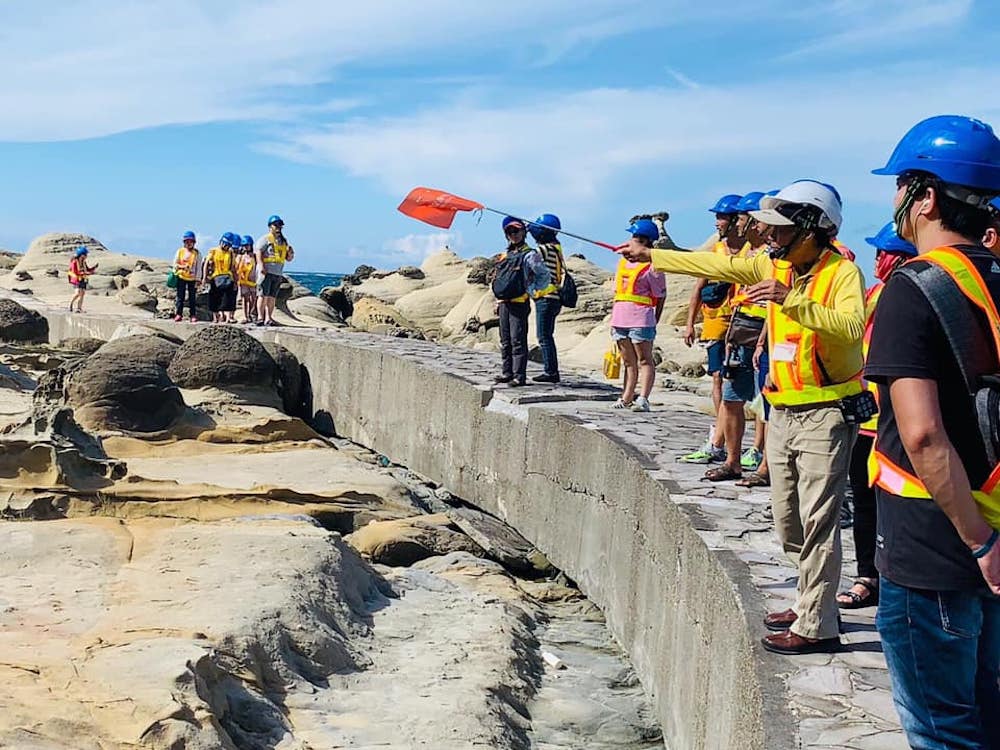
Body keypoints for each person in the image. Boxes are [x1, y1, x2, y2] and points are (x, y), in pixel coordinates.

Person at [623, 179, 865, 655]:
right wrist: (653, 257)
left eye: (780, 229)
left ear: (813, 228)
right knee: (788, 520)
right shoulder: (773, 264)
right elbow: (716, 264)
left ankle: (818, 625)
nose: (770, 237)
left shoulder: (843, 274)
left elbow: (852, 326)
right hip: (784, 410)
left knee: (819, 521)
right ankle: (808, 600)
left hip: (827, 412)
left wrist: (790, 299)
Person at [866, 114, 1000, 748]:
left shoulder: (910, 289)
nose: (894, 201)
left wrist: (980, 544)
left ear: (924, 197)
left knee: (943, 731)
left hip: (937, 549)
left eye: (900, 187)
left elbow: (922, 437)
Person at [836, 223, 916, 611]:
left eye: (881, 253)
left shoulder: (910, 296)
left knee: (895, 508)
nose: (875, 259)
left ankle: (894, 582)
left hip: (896, 425)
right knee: (865, 504)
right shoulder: (873, 294)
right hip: (866, 421)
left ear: (897, 257)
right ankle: (868, 576)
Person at [679, 193, 744, 464]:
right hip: (715, 323)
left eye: (721, 217)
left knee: (733, 382)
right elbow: (698, 288)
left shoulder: (749, 252)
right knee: (718, 378)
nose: (717, 222)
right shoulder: (715, 252)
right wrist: (689, 323)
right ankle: (721, 435)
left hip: (740, 324)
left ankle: (722, 439)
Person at [610, 219, 666, 411]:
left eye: (633, 237)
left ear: (643, 240)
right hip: (620, 317)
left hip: (641, 318)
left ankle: (643, 398)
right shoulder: (622, 261)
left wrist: (656, 318)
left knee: (644, 359)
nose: (629, 240)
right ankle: (626, 397)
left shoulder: (653, 266)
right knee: (628, 361)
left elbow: (661, 294)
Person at [492, 216, 550, 387]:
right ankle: (507, 372)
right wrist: (497, 301)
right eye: (510, 232)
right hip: (504, 302)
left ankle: (519, 375)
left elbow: (543, 274)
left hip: (519, 301)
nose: (513, 234)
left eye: (516, 231)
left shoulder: (530, 254)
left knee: (518, 339)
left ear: (524, 232)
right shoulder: (505, 255)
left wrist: (534, 291)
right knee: (505, 340)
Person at [528, 213, 565, 383]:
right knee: (547, 335)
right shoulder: (556, 249)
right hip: (555, 297)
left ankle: (551, 372)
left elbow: (529, 264)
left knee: (543, 336)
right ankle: (551, 370)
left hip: (546, 296)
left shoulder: (542, 250)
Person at [254, 214, 294, 326]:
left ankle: (268, 318)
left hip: (277, 272)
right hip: (266, 271)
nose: (278, 227)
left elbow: (288, 258)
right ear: (270, 226)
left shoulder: (283, 241)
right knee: (262, 295)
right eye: (275, 225)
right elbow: (258, 252)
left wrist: (290, 253)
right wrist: (261, 265)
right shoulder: (265, 239)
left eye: (280, 225)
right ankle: (260, 317)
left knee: (272, 297)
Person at [205, 233, 238, 323]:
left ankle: (228, 318)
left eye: (228, 245)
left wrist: (235, 281)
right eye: (225, 244)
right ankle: (216, 317)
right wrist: (204, 277)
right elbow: (207, 264)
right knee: (214, 298)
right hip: (215, 277)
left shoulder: (230, 253)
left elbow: (233, 267)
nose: (226, 246)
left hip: (227, 277)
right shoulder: (214, 251)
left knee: (227, 298)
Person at [173, 230, 200, 322]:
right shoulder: (180, 252)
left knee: (192, 297)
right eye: (187, 241)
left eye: (190, 241)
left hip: (192, 278)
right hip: (181, 276)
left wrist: (198, 279)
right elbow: (175, 264)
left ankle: (192, 315)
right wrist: (182, 267)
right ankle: (178, 314)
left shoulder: (197, 253)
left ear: (194, 242)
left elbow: (198, 267)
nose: (189, 243)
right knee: (180, 296)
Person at [67, 246, 97, 313]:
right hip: (77, 279)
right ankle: (70, 304)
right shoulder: (74, 262)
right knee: (77, 293)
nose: (86, 256)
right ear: (81, 255)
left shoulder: (84, 262)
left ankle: (79, 308)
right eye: (85, 254)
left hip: (83, 279)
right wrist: (86, 273)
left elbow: (88, 269)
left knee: (82, 293)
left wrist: (93, 268)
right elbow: (75, 272)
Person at [236, 235, 258, 323]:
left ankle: (252, 313)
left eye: (247, 245)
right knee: (245, 298)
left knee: (253, 298)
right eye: (244, 246)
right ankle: (245, 316)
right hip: (243, 281)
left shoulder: (255, 256)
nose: (246, 247)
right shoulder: (240, 257)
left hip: (253, 281)